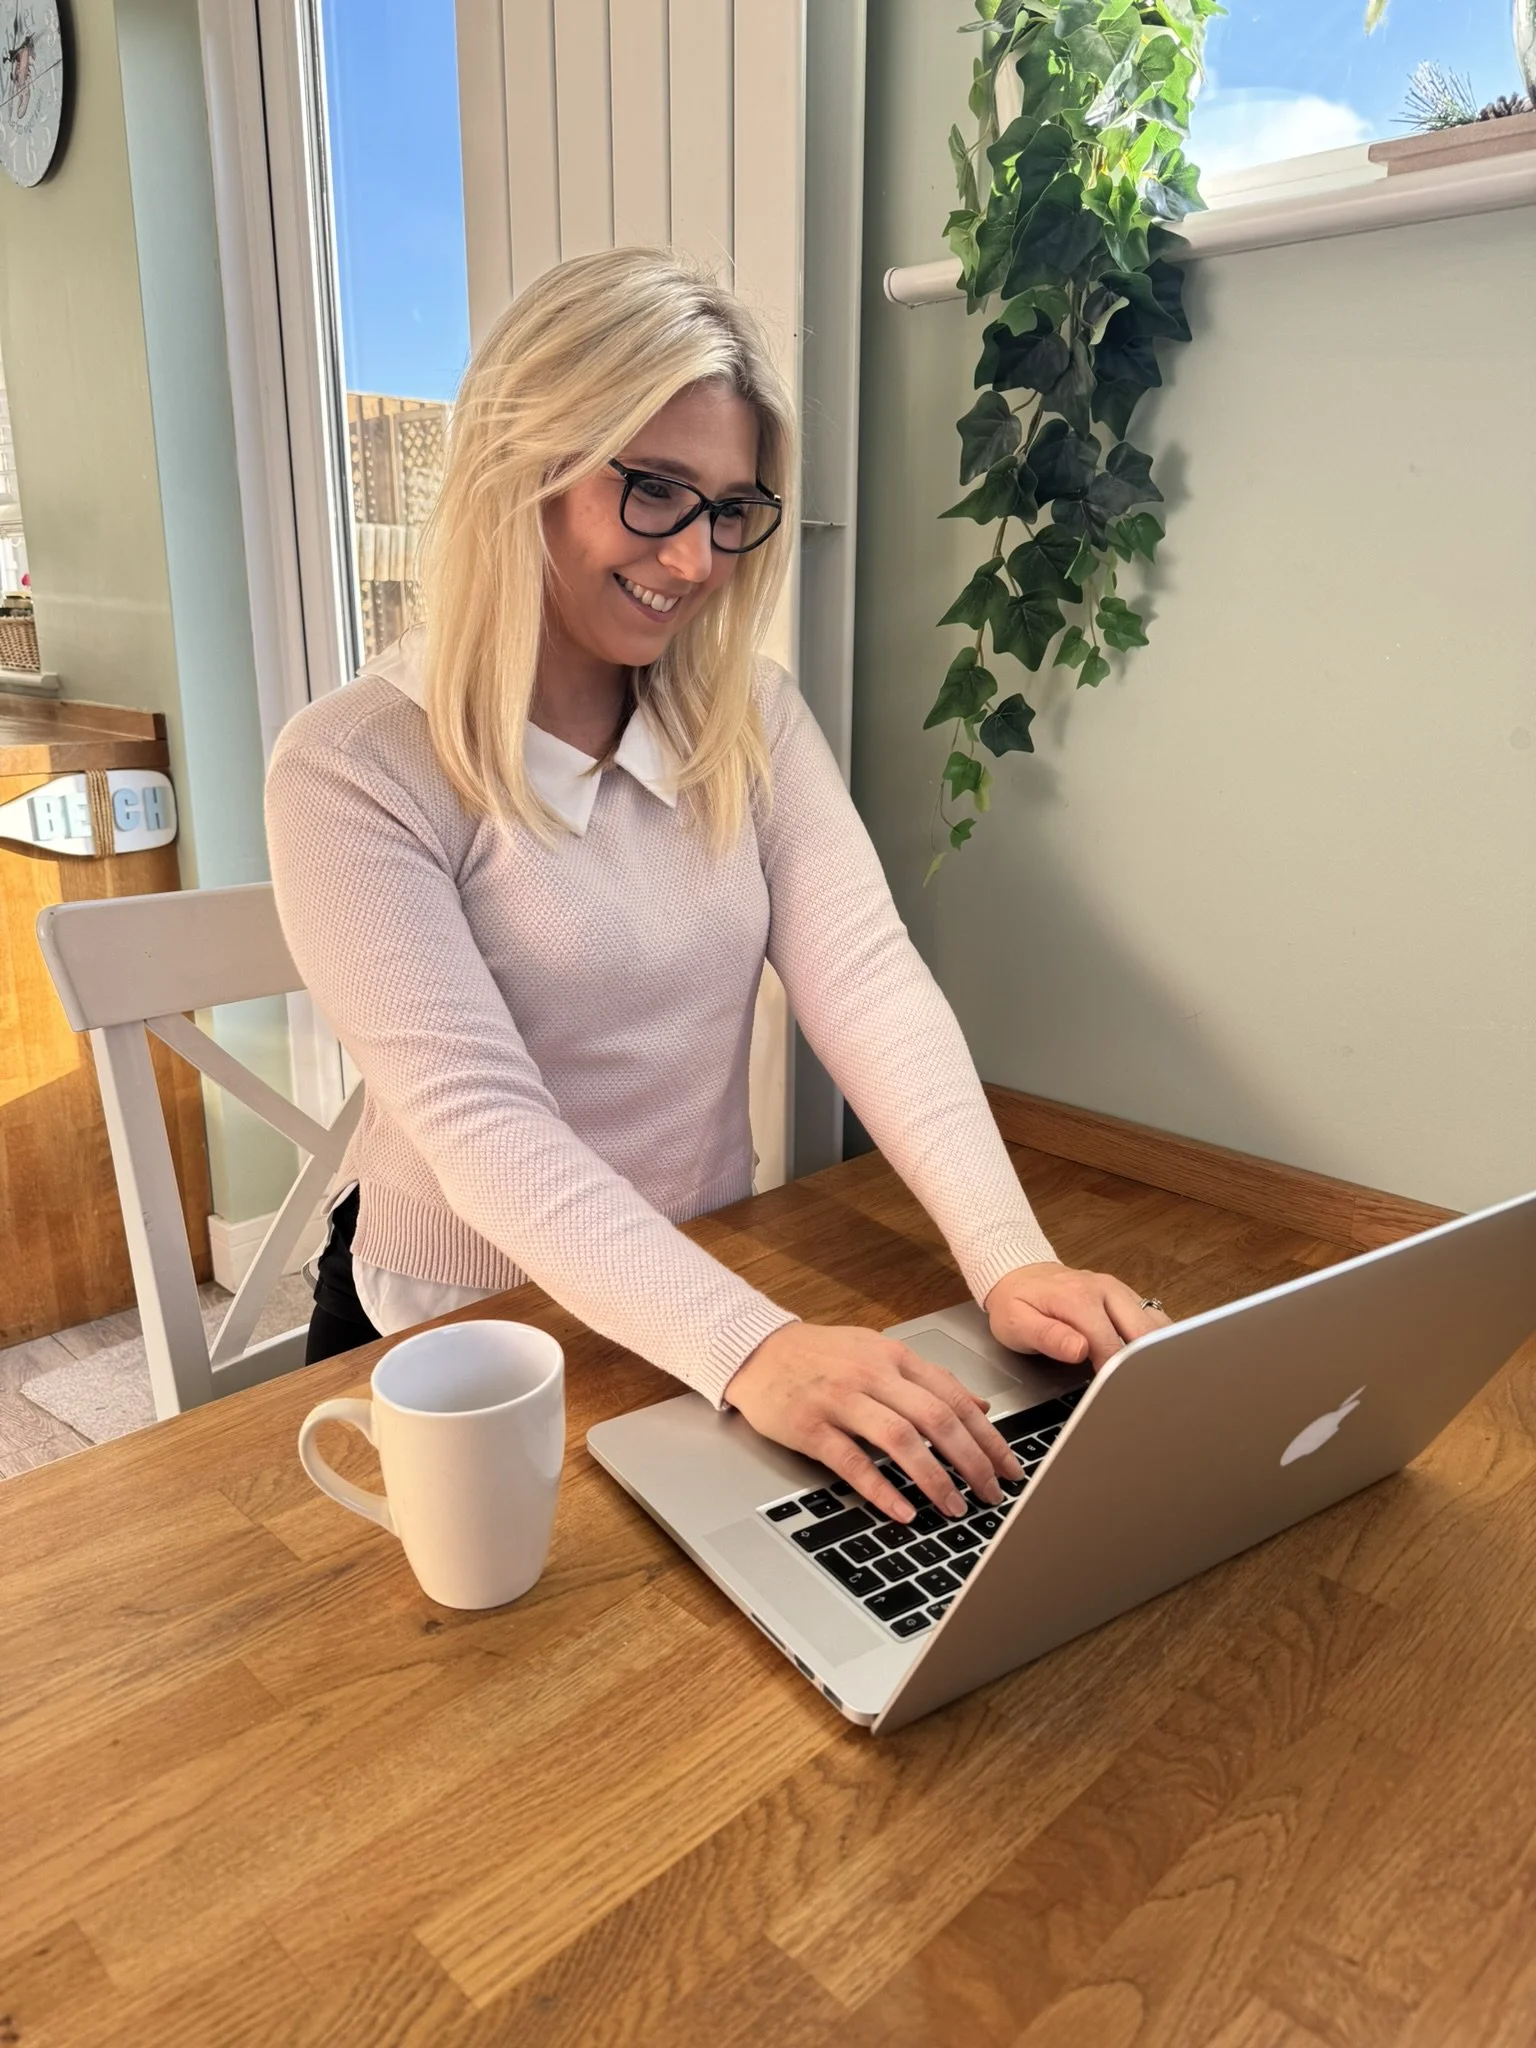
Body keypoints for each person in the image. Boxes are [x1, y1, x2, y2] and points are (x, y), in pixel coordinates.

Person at [265, 247, 1170, 1532]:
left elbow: (866, 980)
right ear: (525, 466)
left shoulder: (750, 717)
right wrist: (752, 1350)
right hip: (463, 1341)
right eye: (654, 493)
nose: (696, 561)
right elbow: (484, 1125)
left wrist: (1008, 1253)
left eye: (732, 509)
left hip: (706, 1283)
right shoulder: (354, 766)